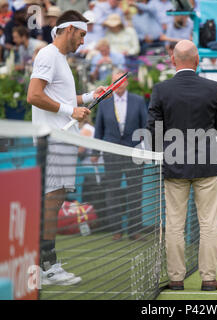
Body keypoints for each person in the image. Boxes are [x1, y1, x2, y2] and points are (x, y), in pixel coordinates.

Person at [27, 9, 107, 286]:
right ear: (70, 29)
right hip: (54, 138)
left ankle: (43, 264)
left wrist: (88, 97)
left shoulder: (58, 58)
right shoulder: (49, 55)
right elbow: (33, 95)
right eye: (82, 35)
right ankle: (45, 265)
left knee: (55, 199)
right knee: (51, 200)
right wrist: (70, 110)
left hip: (62, 138)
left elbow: (58, 97)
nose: (83, 41)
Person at [146, 40, 217, 291]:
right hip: (207, 165)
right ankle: (208, 279)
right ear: (197, 60)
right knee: (209, 224)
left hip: (175, 165)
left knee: (175, 224)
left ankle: (176, 279)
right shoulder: (213, 88)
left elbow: (154, 130)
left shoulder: (161, 89)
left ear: (173, 60)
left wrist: (166, 152)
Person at [92, 69, 148, 241]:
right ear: (112, 84)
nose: (119, 85)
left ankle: (134, 231)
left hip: (134, 152)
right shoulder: (104, 103)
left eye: (121, 81)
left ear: (126, 83)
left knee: (135, 192)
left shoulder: (138, 101)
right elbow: (99, 128)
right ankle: (116, 230)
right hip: (111, 153)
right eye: (115, 82)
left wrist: (146, 149)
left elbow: (145, 127)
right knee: (113, 191)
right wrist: (94, 152)